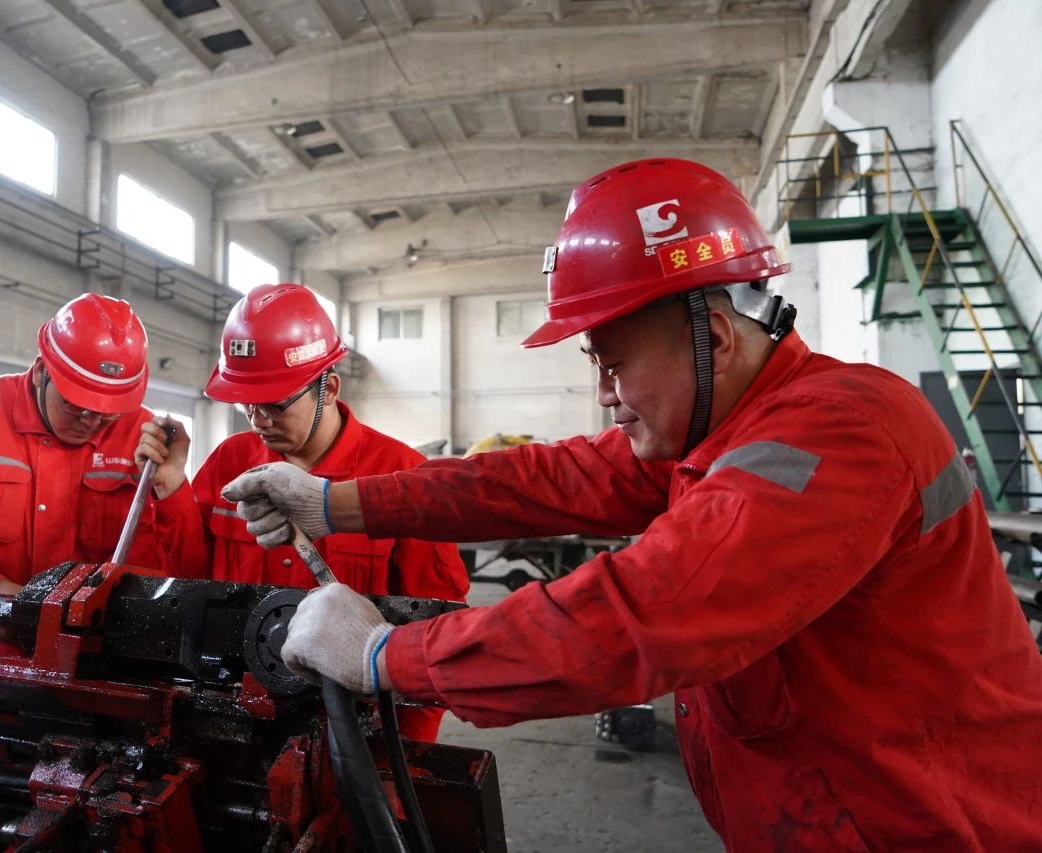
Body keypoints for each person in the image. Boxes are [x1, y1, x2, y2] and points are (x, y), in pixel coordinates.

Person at [220, 160, 1042, 849]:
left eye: (613, 365)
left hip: (939, 825)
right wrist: (335, 501)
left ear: (715, 338)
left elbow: (645, 612)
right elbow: (540, 479)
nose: (604, 394)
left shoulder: (842, 432)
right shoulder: (716, 428)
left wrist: (387, 655)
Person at [136, 283, 468, 741]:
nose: (259, 421)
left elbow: (432, 631)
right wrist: (172, 484)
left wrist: (405, 756)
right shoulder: (230, 462)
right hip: (233, 712)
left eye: (275, 405)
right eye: (247, 405)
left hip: (352, 729)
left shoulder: (401, 478)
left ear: (328, 388)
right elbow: (192, 583)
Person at [0, 292, 201, 660]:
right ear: (39, 372)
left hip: (96, 663)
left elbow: (187, 573)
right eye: (76, 405)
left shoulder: (146, 440)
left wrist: (171, 486)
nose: (92, 421)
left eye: (108, 412)